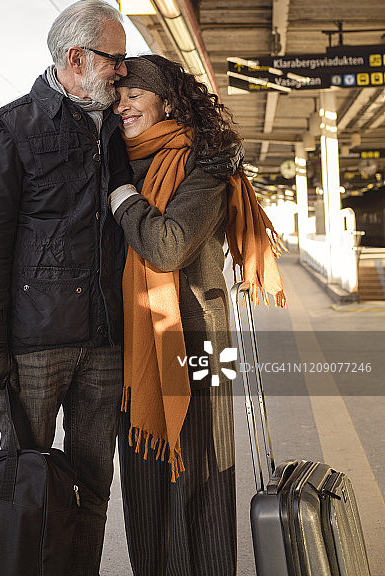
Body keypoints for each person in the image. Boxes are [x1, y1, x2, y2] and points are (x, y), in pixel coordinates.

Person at [0, 0, 132, 576]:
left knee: (94, 482)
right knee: (28, 482)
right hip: (35, 341)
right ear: (76, 56)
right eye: (115, 60)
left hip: (105, 338)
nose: (122, 71)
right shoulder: (9, 129)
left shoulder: (119, 127)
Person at [109, 54, 285, 576]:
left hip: (204, 338)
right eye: (118, 95)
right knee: (144, 484)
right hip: (136, 342)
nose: (122, 105)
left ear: (167, 99)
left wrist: (122, 198)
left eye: (134, 94)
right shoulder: (116, 158)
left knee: (207, 472)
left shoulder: (206, 161)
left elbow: (169, 246)